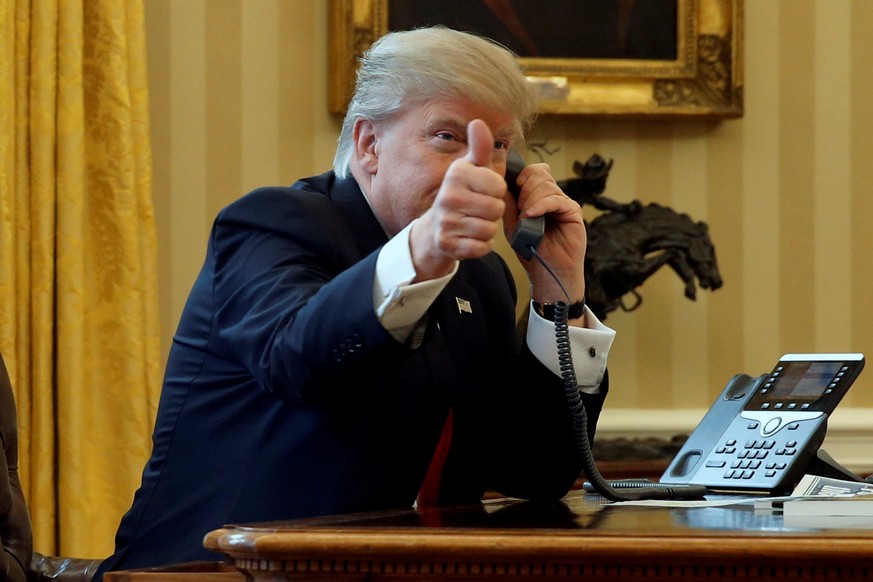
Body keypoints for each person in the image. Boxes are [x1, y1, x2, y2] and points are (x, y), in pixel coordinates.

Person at [94, 26, 615, 579]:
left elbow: (533, 471)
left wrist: (560, 295)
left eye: (498, 146)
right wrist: (420, 252)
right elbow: (296, 360)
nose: (477, 170)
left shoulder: (482, 278)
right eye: (446, 137)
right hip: (219, 570)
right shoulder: (274, 224)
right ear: (369, 144)